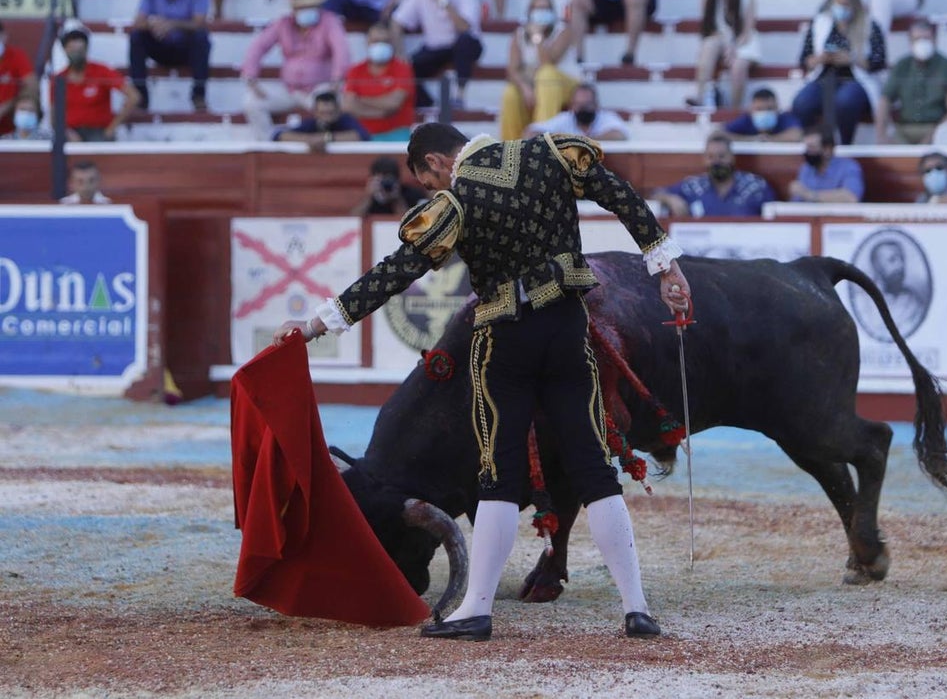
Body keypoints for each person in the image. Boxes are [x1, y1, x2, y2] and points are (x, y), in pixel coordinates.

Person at [272, 121, 689, 642]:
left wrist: (316, 325)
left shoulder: (457, 200)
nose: (434, 189)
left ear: (435, 163)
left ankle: (476, 610)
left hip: (505, 340)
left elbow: (396, 271)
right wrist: (664, 264)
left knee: (499, 472)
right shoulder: (549, 156)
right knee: (593, 467)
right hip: (566, 330)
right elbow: (619, 195)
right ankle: (637, 608)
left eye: (429, 181)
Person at [241, 0, 350, 141]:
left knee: (332, 102)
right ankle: (268, 143)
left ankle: (322, 144)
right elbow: (258, 47)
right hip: (289, 89)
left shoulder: (329, 22)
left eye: (310, 6)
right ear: (294, 9)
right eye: (302, 7)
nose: (307, 10)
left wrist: (337, 79)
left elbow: (341, 50)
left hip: (319, 88)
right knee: (252, 102)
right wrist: (251, 78)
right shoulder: (283, 23)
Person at [792, 0, 886, 146]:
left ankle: (845, 144)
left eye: (846, 5)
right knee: (802, 102)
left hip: (857, 80)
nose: (841, 8)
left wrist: (852, 59)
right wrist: (821, 58)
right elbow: (804, 60)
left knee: (845, 101)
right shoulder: (820, 23)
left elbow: (879, 62)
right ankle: (813, 143)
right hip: (824, 76)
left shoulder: (870, 25)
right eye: (838, 4)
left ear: (855, 6)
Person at [391, 0, 484, 109]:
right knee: (406, 69)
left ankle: (459, 96)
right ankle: (429, 105)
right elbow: (396, 21)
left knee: (465, 42)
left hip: (463, 44)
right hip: (435, 47)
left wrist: (444, 2)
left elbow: (465, 27)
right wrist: (400, 53)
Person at [129, 0, 213, 112]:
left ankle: (199, 95)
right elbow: (139, 22)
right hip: (159, 44)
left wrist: (173, 24)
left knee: (201, 37)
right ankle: (140, 97)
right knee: (136, 37)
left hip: (186, 48)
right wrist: (154, 25)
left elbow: (199, 22)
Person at [500, 0, 577, 140]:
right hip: (534, 83)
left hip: (565, 83)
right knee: (511, 93)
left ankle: (541, 141)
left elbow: (548, 62)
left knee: (546, 74)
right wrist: (525, 88)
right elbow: (512, 70)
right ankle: (511, 146)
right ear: (530, 12)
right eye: (538, 8)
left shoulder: (563, 31)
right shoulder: (519, 34)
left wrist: (538, 36)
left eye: (546, 8)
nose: (542, 12)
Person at [686, 0, 761, 109]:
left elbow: (748, 30)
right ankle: (700, 96)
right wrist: (726, 44)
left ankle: (734, 109)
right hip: (719, 39)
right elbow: (709, 28)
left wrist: (733, 47)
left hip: (743, 40)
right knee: (708, 46)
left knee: (739, 66)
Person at [874, 19, 947, 145]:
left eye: (926, 38)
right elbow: (885, 100)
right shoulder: (902, 66)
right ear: (910, 42)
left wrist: (935, 134)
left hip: (938, 128)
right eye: (917, 39)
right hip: (904, 129)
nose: (922, 43)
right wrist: (881, 134)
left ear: (935, 40)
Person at [653, 132, 776, 217]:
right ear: (704, 159)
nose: (716, 162)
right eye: (711, 157)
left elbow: (775, 212)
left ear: (732, 158)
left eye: (721, 156)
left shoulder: (755, 186)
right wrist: (670, 199)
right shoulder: (693, 187)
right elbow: (656, 193)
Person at [51, 27, 141, 143]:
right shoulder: (58, 79)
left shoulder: (101, 72)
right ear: (65, 50)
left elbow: (134, 96)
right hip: (70, 133)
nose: (76, 53)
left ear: (86, 48)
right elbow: (54, 116)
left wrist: (112, 128)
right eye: (71, 49)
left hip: (99, 132)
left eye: (79, 49)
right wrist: (67, 132)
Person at [342, 21, 416, 141]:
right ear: (367, 43)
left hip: (397, 134)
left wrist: (360, 100)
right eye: (376, 41)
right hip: (362, 134)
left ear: (391, 43)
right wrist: (381, 113)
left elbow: (394, 103)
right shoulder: (356, 70)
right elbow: (348, 105)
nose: (380, 45)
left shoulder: (402, 69)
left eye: (385, 41)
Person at [857, 237, 927, 336]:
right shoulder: (862, 303)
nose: (900, 266)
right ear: (877, 266)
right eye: (892, 260)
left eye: (902, 259)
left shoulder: (913, 302)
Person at [524, 82, 629, 140]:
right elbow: (531, 132)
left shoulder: (606, 117)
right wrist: (559, 140)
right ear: (572, 106)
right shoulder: (565, 119)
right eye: (579, 105)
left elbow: (620, 134)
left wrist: (584, 140)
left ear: (596, 105)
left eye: (587, 104)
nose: (583, 109)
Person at [272, 90, 370, 149]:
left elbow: (362, 135)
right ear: (315, 112)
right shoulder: (311, 123)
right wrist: (309, 140)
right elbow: (279, 135)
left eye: (330, 113)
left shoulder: (345, 120)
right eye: (322, 113)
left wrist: (326, 138)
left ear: (338, 110)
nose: (326, 116)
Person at [788, 130, 864, 203]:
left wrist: (811, 195)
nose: (808, 152)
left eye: (812, 147)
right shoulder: (806, 168)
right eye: (807, 148)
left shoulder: (848, 167)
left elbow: (851, 198)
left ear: (827, 149)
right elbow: (797, 200)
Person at [351, 155, 429, 215]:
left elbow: (410, 224)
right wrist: (368, 197)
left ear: (398, 181)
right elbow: (353, 221)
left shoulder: (411, 194)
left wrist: (397, 199)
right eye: (381, 181)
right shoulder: (371, 197)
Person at [723, 87, 803, 142]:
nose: (765, 113)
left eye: (769, 109)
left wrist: (770, 139)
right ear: (751, 110)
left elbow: (797, 134)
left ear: (777, 109)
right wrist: (752, 139)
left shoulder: (784, 118)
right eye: (759, 109)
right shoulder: (746, 120)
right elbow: (719, 134)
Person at [0, 20, 36, 137]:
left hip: (11, 128)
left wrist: (7, 106)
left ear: (4, 36)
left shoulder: (16, 56)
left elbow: (32, 85)